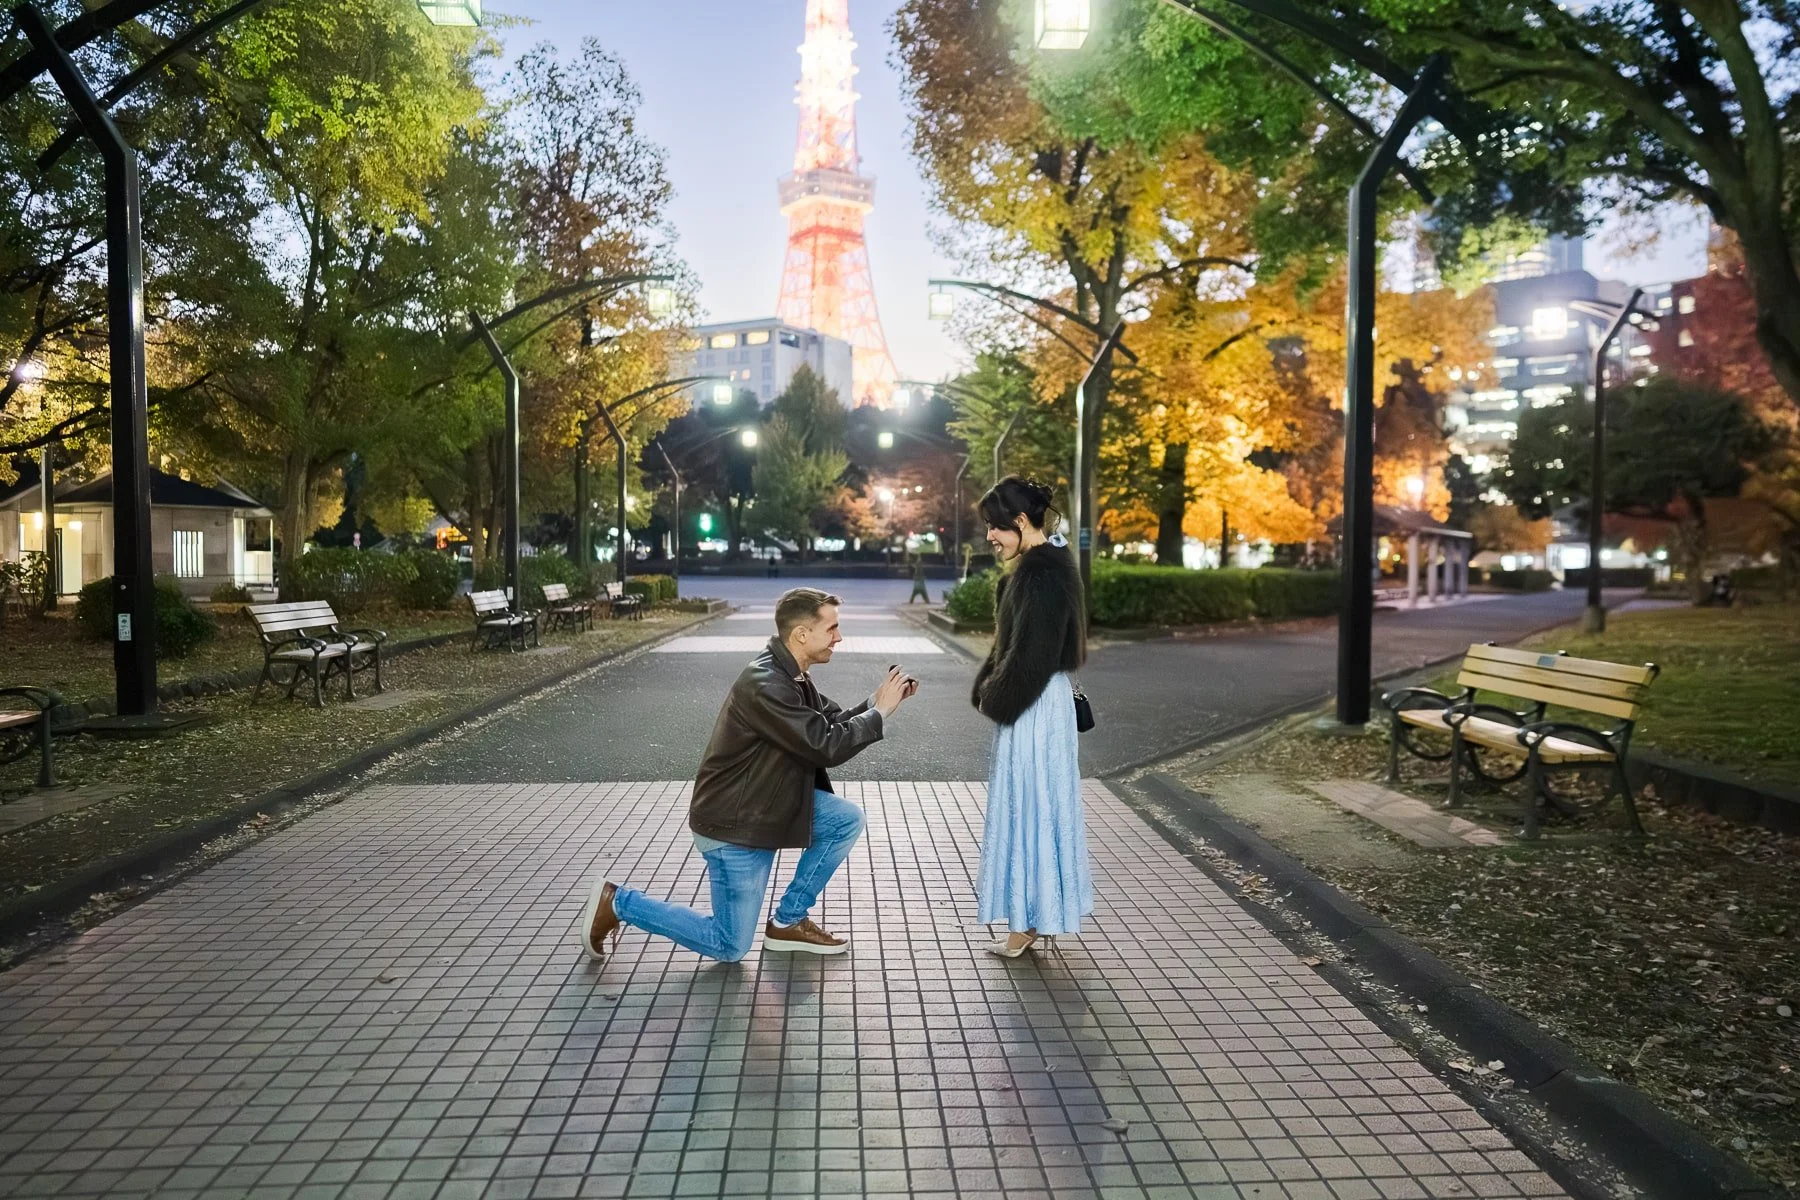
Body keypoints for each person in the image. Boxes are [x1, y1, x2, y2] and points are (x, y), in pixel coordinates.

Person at [580, 587, 917, 963]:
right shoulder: (766, 683)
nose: (839, 637)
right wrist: (878, 715)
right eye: (832, 629)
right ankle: (618, 902)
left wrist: (878, 703)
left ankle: (789, 921)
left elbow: (826, 723)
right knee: (730, 945)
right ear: (802, 634)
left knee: (845, 820)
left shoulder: (792, 674)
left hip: (766, 806)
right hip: (735, 825)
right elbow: (824, 745)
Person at [970, 477, 1093, 958]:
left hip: (1035, 704)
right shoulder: (1047, 567)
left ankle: (1025, 924)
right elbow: (1016, 650)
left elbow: (1029, 659)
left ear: (1021, 522)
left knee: (1030, 805)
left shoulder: (1041, 575)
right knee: (1041, 804)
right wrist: (991, 687)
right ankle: (1038, 914)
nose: (990, 537)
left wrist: (993, 698)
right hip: (1041, 702)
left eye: (995, 527)